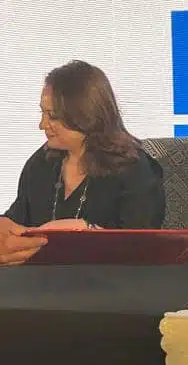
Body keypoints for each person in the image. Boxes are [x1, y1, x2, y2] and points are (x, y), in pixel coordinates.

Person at [5, 61, 165, 246]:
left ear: (85, 115)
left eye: (52, 116)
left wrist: (89, 230)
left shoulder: (135, 169)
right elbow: (17, 221)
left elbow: (143, 245)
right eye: (42, 113)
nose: (42, 125)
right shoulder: (41, 162)